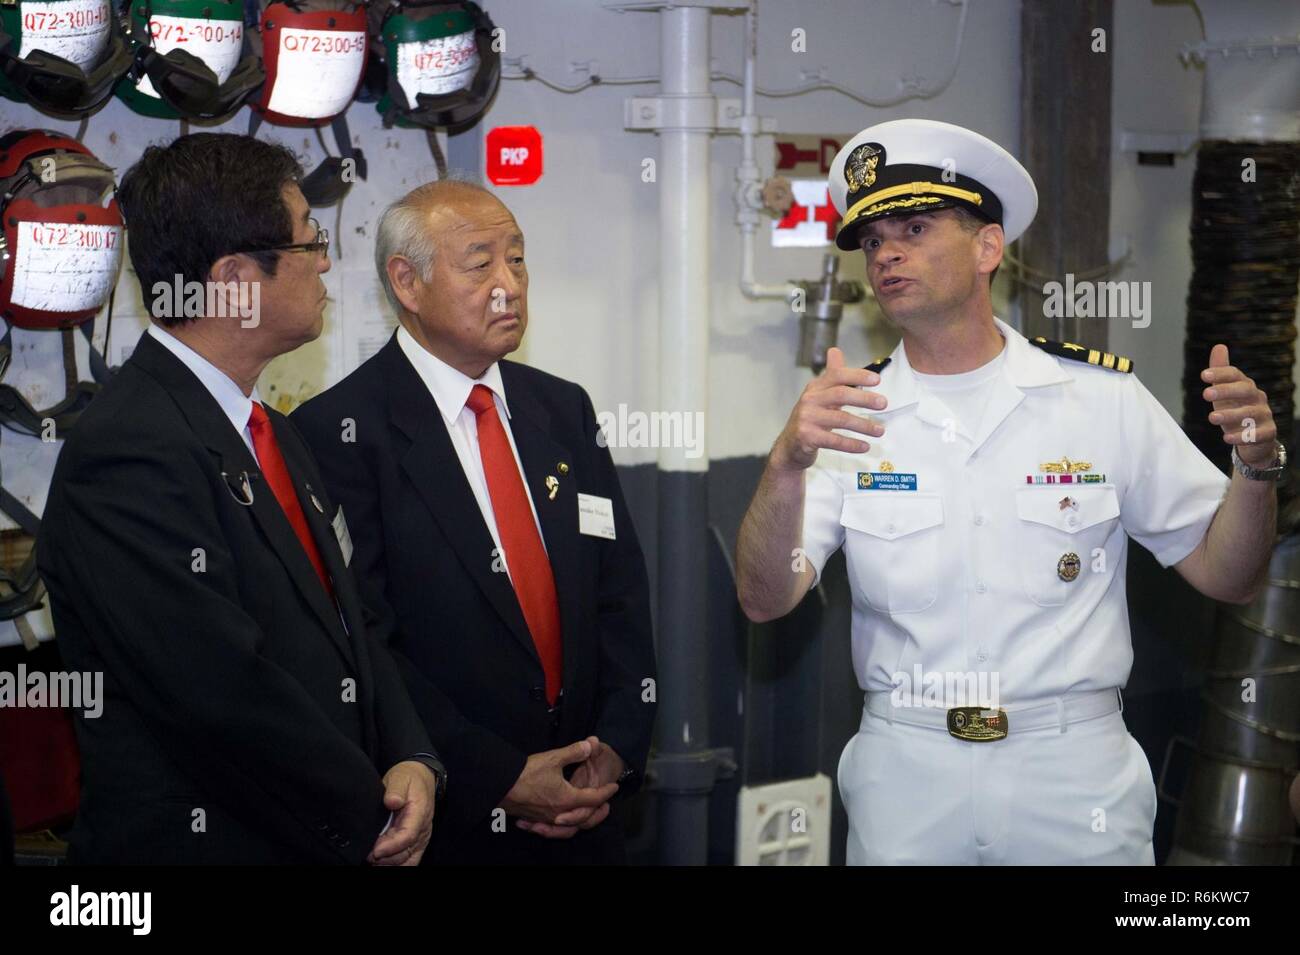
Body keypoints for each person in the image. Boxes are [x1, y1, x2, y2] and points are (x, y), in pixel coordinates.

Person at [735, 118, 1281, 865]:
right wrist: (785, 465)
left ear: (988, 246)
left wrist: (1256, 469)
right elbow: (765, 598)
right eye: (872, 241)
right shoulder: (843, 415)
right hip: (909, 771)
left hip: (1072, 772)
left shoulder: (1099, 400)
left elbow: (1230, 573)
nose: (887, 252)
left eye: (916, 227)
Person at [37, 133, 445, 865]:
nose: (326, 260)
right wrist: (368, 811)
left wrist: (413, 757)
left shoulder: (276, 434)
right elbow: (219, 692)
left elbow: (356, 627)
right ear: (232, 278)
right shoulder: (128, 451)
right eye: (308, 241)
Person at [292, 179, 657, 864]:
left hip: (590, 808)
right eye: (480, 261)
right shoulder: (340, 432)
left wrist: (616, 749)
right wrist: (501, 775)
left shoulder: (563, 409)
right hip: (453, 819)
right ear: (407, 281)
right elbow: (367, 644)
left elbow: (620, 592)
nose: (509, 284)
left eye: (517, 259)